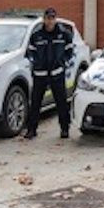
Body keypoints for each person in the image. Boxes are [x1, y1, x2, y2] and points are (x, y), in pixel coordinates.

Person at [24, 7, 73, 139]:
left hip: (57, 73)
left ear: (55, 19)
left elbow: (69, 52)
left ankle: (64, 129)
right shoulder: (36, 36)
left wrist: (63, 64)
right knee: (35, 103)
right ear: (44, 19)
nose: (50, 21)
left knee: (61, 103)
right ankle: (31, 130)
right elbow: (30, 53)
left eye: (52, 18)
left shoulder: (64, 35)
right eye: (47, 18)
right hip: (40, 74)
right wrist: (36, 63)